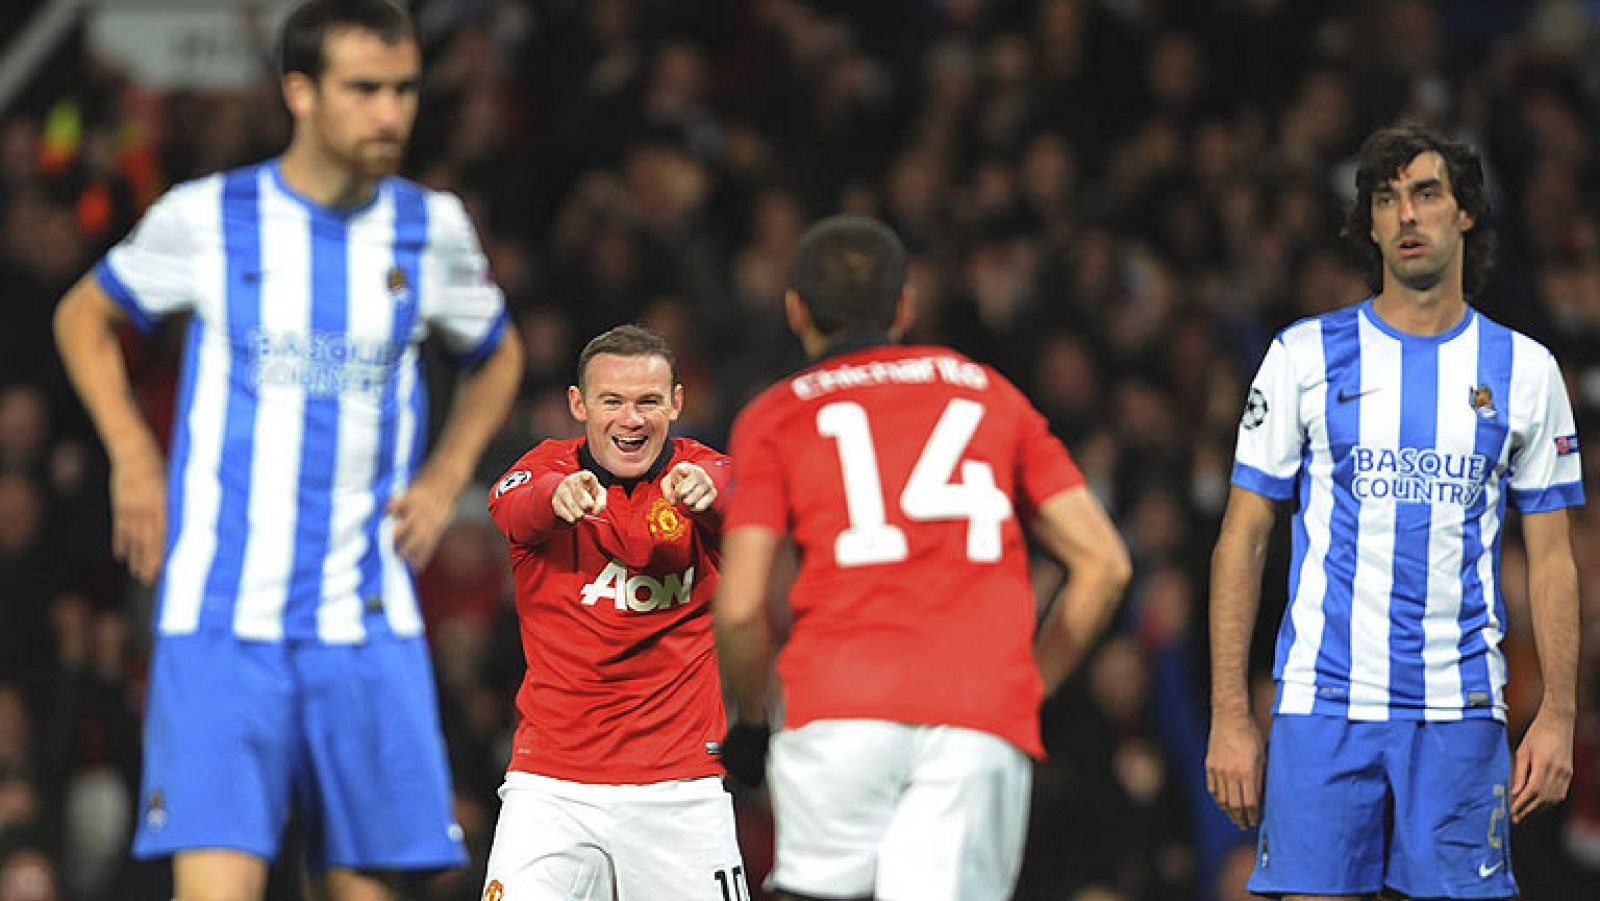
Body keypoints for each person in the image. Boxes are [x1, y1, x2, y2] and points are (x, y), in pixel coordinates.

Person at [51, 2, 524, 898]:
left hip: (367, 620)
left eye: (404, 90)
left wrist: (447, 473)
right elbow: (83, 315)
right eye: (365, 89)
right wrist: (132, 453)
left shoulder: (431, 228)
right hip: (221, 618)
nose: (390, 112)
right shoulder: (209, 215)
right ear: (300, 92)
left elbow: (498, 354)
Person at [1205, 122, 1584, 900]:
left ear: (1465, 212)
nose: (1406, 214)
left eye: (1426, 193)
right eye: (1386, 199)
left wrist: (1558, 713)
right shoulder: (1303, 356)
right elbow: (1242, 538)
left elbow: (1553, 555)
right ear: (1370, 225)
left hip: (1458, 714)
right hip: (1322, 707)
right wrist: (1229, 713)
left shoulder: (1526, 371)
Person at [713, 214, 1131, 901]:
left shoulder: (775, 414)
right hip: (975, 715)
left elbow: (737, 608)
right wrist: (1030, 686)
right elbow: (1105, 564)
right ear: (904, 306)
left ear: (795, 310)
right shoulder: (990, 393)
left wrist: (753, 720)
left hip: (836, 706)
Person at [483, 324, 746, 900]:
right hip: (551, 787)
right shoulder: (543, 473)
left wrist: (711, 499)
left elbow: (746, 503)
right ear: (578, 405)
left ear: (676, 403)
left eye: (649, 401)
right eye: (612, 401)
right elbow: (515, 506)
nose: (631, 419)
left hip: (681, 786)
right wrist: (554, 498)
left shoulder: (706, 473)